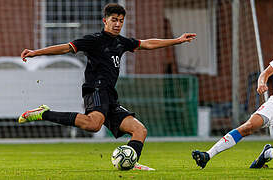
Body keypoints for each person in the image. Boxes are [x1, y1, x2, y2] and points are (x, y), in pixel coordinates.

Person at [19, 3, 196, 171]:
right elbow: (66, 48)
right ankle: (44, 113)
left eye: (121, 20)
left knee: (140, 130)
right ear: (105, 21)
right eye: (114, 20)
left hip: (110, 96)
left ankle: (132, 162)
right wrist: (36, 53)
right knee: (94, 124)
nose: (118, 24)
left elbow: (148, 43)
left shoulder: (122, 42)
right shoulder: (94, 40)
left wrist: (177, 40)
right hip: (95, 90)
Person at [192, 16, 273, 169]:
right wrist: (261, 83)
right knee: (250, 125)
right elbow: (265, 73)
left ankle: (266, 154)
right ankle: (208, 155)